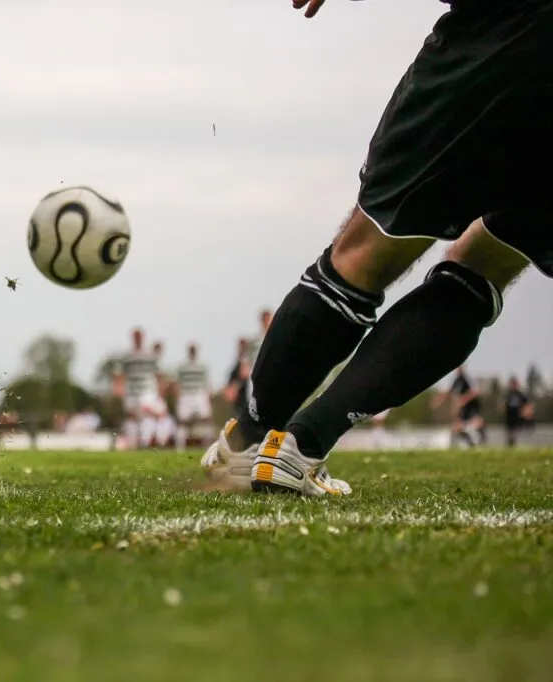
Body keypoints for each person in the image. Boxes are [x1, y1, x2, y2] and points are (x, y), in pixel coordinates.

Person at [203, 0, 553, 495]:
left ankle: (248, 444)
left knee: (363, 254)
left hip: (504, 32)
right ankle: (301, 446)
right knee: (487, 264)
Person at [112, 328, 160, 449]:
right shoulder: (127, 356)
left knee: (148, 414)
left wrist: (159, 390)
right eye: (135, 336)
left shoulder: (150, 356)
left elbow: (157, 374)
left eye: (139, 336)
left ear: (143, 338)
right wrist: (118, 387)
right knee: (131, 416)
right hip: (132, 391)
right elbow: (120, 374)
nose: (137, 339)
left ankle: (144, 443)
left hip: (147, 391)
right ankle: (132, 444)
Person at [431, 366, 487, 448]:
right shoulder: (456, 380)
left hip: (473, 410)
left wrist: (464, 399)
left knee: (478, 425)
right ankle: (469, 445)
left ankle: (481, 445)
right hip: (463, 411)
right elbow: (449, 392)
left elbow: (476, 391)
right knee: (456, 428)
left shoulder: (468, 378)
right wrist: (439, 400)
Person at [175, 343, 214, 452]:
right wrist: (179, 396)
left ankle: (208, 446)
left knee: (206, 419)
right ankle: (180, 448)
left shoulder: (202, 367)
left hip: (199, 394)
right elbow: (178, 382)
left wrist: (208, 396)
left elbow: (207, 382)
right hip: (186, 394)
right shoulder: (182, 367)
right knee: (182, 421)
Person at [502, 376, 534, 447]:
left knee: (517, 433)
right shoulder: (508, 394)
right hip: (510, 417)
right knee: (510, 434)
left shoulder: (521, 394)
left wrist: (526, 413)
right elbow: (503, 405)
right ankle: (511, 446)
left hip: (518, 417)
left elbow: (528, 405)